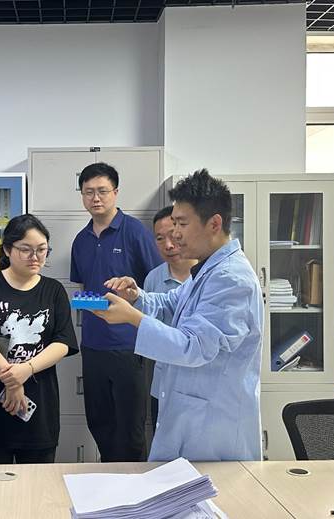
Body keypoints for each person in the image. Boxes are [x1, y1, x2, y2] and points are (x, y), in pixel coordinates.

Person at [94, 169, 264, 462]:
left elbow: (193, 346)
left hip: (214, 427)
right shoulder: (208, 269)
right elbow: (172, 304)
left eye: (182, 223)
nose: (174, 234)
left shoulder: (231, 278)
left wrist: (133, 318)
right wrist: (137, 297)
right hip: (194, 414)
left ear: (214, 223)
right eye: (174, 223)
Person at [0, 214, 78, 464]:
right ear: (7, 249)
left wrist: (26, 369)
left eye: (41, 250)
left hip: (38, 409)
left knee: (38, 483)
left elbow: (62, 342)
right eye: (26, 249)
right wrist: (12, 380)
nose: (35, 257)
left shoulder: (53, 290)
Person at [70, 162, 161, 462]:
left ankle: (135, 487)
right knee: (99, 422)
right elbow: (83, 285)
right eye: (88, 192)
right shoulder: (81, 240)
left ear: (116, 192)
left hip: (129, 345)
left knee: (131, 428)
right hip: (93, 345)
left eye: (102, 191)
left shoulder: (135, 232)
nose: (95, 198)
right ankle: (109, 479)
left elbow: (155, 284)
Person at [143, 205, 197, 430]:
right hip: (163, 385)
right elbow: (149, 332)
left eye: (173, 235)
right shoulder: (153, 279)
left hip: (198, 388)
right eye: (159, 238)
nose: (168, 245)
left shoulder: (207, 277)